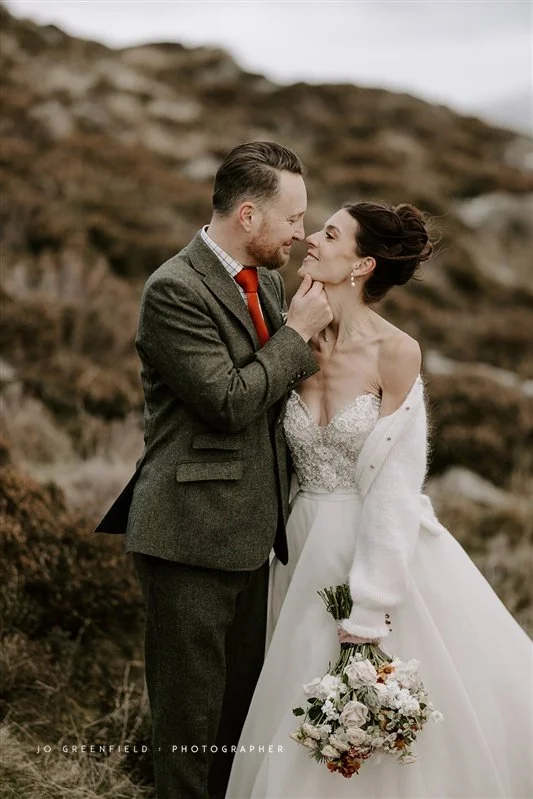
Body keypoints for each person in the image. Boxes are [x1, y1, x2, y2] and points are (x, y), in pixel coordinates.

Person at [227, 201, 533, 798]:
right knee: (297, 696)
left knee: (369, 706)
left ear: (362, 264)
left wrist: (369, 607)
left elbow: (396, 484)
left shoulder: (397, 352)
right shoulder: (292, 332)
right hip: (297, 547)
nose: (311, 238)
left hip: (370, 549)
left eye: (330, 234)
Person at [94, 141, 333, 799]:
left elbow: (280, 387)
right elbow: (227, 400)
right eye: (293, 218)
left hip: (252, 537)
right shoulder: (173, 288)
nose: (301, 232)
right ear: (249, 216)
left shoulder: (272, 281)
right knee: (189, 730)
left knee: (236, 721)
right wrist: (296, 335)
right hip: (188, 535)